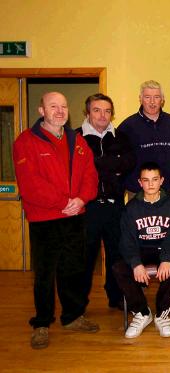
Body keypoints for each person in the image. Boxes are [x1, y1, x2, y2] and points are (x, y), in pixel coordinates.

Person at [13, 92, 100, 349]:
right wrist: (65, 202)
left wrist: (82, 199)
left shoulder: (78, 141)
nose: (60, 111)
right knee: (44, 274)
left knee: (73, 269)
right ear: (42, 110)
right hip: (45, 218)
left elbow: (90, 176)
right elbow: (31, 185)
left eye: (63, 106)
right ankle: (41, 323)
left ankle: (72, 316)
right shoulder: (26, 142)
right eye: (53, 106)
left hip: (75, 216)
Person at [112, 162, 170, 338]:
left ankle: (162, 314)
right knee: (119, 267)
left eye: (154, 180)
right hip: (141, 250)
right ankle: (142, 312)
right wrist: (136, 263)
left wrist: (166, 259)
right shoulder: (131, 208)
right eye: (146, 180)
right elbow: (126, 239)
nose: (150, 184)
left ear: (162, 181)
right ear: (140, 182)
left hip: (163, 249)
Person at [77, 93, 135, 309]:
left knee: (117, 254)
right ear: (87, 112)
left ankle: (116, 297)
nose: (103, 115)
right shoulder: (76, 138)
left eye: (107, 111)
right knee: (85, 258)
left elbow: (129, 162)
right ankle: (78, 304)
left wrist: (96, 163)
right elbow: (79, 170)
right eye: (97, 110)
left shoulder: (121, 137)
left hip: (115, 206)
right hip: (87, 207)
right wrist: (112, 164)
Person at [119, 80, 170, 200]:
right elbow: (121, 162)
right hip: (137, 193)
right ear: (140, 98)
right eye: (147, 97)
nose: (152, 102)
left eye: (156, 97)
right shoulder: (127, 126)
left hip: (169, 191)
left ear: (162, 99)